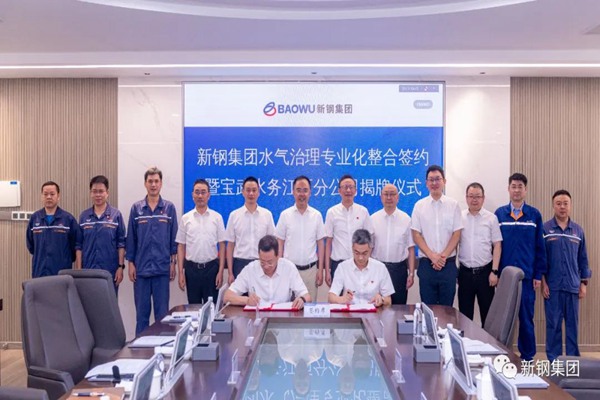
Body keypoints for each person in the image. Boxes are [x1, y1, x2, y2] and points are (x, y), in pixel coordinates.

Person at [495, 173, 546, 361]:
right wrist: (496, 273)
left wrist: (538, 275)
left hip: (527, 277)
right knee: (504, 318)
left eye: (520, 187)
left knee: (526, 318)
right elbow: (496, 246)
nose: (516, 190)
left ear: (525, 190)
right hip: (505, 277)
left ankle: (528, 357)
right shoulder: (499, 214)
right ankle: (502, 355)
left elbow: (540, 247)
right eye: (513, 186)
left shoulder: (534, 215)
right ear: (508, 189)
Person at [126, 167, 178, 335]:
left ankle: (161, 347)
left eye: (156, 181)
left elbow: (173, 239)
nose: (153, 185)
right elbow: (131, 239)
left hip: (162, 269)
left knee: (162, 316)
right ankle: (140, 348)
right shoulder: (136, 209)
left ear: (161, 184)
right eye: (150, 181)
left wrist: (173, 263)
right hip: (141, 270)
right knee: (141, 316)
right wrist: (130, 264)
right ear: (145, 184)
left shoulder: (169, 208)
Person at [542, 190, 591, 362]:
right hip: (553, 287)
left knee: (572, 326)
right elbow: (541, 259)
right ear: (553, 205)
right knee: (553, 325)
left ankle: (572, 362)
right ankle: (554, 362)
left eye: (565, 203)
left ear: (570, 206)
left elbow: (583, 259)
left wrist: (583, 283)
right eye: (558, 203)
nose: (562, 207)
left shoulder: (578, 231)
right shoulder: (545, 229)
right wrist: (543, 283)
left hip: (572, 286)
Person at [411, 165, 462, 306]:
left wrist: (442, 257)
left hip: (448, 265)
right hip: (427, 265)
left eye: (437, 179)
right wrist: (432, 256)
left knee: (447, 309)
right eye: (431, 180)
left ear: (444, 181)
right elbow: (416, 234)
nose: (434, 183)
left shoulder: (453, 205)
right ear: (426, 183)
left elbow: (456, 234)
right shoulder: (419, 206)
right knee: (428, 308)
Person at [457, 182, 502, 326]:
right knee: (464, 317)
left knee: (488, 317)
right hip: (465, 273)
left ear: (483, 198)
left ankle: (487, 342)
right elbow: (454, 243)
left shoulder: (491, 218)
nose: (474, 200)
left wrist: (494, 271)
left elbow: (497, 245)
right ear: (466, 198)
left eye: (477, 196)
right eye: (471, 196)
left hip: (486, 274)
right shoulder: (459, 217)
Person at [224, 235, 311, 309]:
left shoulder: (289, 268)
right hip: (257, 318)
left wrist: (302, 300)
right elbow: (227, 297)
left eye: (270, 262)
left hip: (282, 318)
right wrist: (247, 300)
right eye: (262, 262)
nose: (266, 266)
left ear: (278, 256)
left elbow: (307, 296)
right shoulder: (250, 269)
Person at [275, 175, 325, 302]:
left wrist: (320, 270)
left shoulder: (317, 215)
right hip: (289, 270)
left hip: (310, 271)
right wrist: (279, 268)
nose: (302, 194)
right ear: (293, 192)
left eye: (305, 190)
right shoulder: (285, 215)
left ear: (310, 193)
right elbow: (280, 243)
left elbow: (321, 244)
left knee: (310, 307)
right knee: (288, 307)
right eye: (298, 190)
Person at [176, 178, 226, 304]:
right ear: (192, 195)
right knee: (193, 308)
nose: (200, 196)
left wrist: (220, 271)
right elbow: (181, 246)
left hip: (211, 269)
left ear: (208, 195)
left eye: (203, 192)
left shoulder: (217, 218)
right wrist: (180, 272)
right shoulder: (186, 218)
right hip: (191, 270)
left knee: (212, 308)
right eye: (197, 192)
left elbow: (222, 245)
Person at [75, 175, 126, 292]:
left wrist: (120, 267)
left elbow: (121, 244)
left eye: (101, 191)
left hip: (110, 271)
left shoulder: (116, 215)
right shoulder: (84, 216)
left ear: (107, 193)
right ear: (90, 193)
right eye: (94, 191)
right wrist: (79, 270)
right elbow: (79, 246)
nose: (98, 195)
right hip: (88, 271)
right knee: (89, 302)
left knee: (109, 302)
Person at [324, 174, 374, 287]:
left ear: (355, 190)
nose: (348, 190)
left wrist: (367, 262)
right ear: (339, 191)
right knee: (338, 296)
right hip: (338, 264)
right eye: (345, 187)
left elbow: (370, 240)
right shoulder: (332, 212)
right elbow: (328, 243)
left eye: (351, 187)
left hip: (358, 264)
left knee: (359, 296)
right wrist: (327, 270)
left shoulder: (363, 211)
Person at [371, 183, 415, 304]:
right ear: (381, 197)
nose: (389, 197)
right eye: (386, 194)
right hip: (378, 269)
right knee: (377, 306)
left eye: (392, 194)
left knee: (399, 307)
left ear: (398, 197)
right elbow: (369, 248)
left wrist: (411, 273)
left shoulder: (406, 219)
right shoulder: (373, 219)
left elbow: (411, 249)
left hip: (399, 270)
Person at [225, 176, 275, 284]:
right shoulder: (234, 215)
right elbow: (230, 245)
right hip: (239, 264)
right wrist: (230, 272)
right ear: (243, 192)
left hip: (262, 264)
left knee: (261, 294)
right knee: (241, 295)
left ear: (259, 192)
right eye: (248, 190)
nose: (251, 193)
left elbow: (272, 243)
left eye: (254, 190)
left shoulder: (267, 215)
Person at [26, 181, 80, 278]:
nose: (49, 197)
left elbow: (75, 246)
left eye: (52, 194)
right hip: (40, 272)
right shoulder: (35, 218)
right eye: (45, 194)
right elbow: (31, 246)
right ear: (41, 196)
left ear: (58, 196)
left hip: (61, 273)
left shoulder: (68, 219)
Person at [328, 229, 394, 307]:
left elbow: (388, 300)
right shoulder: (343, 267)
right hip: (350, 312)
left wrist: (381, 299)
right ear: (352, 248)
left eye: (364, 253)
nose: (360, 258)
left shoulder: (380, 268)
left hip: (374, 312)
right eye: (357, 253)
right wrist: (342, 299)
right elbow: (331, 297)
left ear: (370, 249)